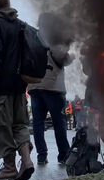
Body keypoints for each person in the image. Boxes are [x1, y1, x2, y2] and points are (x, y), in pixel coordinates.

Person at [0, 0, 34, 180]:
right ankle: (27, 160)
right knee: (20, 125)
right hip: (20, 87)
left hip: (2, 88)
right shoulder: (20, 25)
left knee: (0, 127)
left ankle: (9, 167)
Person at [27, 13, 73, 165]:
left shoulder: (32, 37)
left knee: (38, 124)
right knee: (59, 122)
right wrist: (70, 55)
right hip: (53, 87)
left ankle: (42, 155)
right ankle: (63, 154)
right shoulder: (54, 38)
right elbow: (62, 57)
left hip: (34, 86)